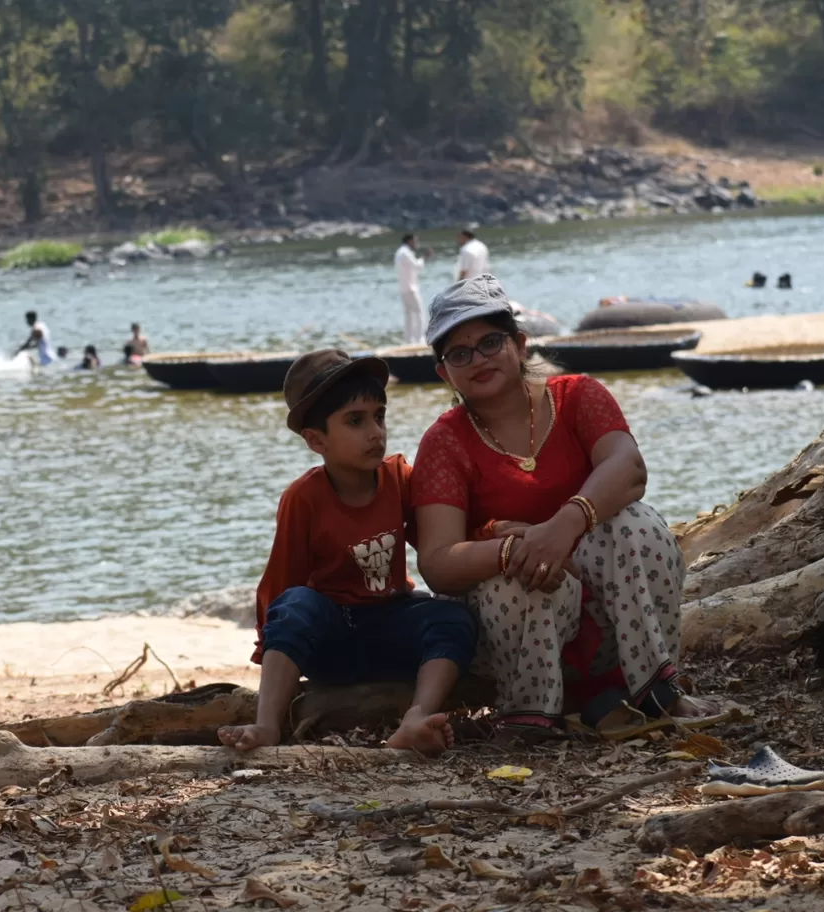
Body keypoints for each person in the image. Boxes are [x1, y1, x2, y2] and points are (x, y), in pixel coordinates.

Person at [409, 274, 722, 743]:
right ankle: (532, 717)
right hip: (515, 627)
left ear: (519, 344)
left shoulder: (577, 397)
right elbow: (436, 562)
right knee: (518, 575)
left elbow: (629, 468)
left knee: (638, 526)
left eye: (490, 342)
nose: (478, 359)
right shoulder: (444, 441)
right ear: (444, 372)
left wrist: (562, 527)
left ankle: (657, 694)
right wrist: (516, 549)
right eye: (459, 353)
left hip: (610, 618)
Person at [216, 349, 478, 754]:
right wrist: (271, 647)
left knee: (450, 617)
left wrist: (494, 532)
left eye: (379, 415)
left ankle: (417, 717)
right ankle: (267, 724)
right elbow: (281, 585)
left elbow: (438, 536)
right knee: (296, 603)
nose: (375, 431)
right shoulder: (304, 498)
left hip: (389, 626)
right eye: (355, 421)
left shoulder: (398, 478)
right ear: (316, 439)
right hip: (331, 639)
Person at [394, 233, 429, 345]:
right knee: (419, 313)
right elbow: (416, 266)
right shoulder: (405, 253)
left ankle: (409, 340)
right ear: (409, 241)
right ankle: (420, 340)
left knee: (409, 315)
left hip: (404, 287)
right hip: (410, 288)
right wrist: (425, 257)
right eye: (415, 241)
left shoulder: (400, 252)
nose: (416, 243)